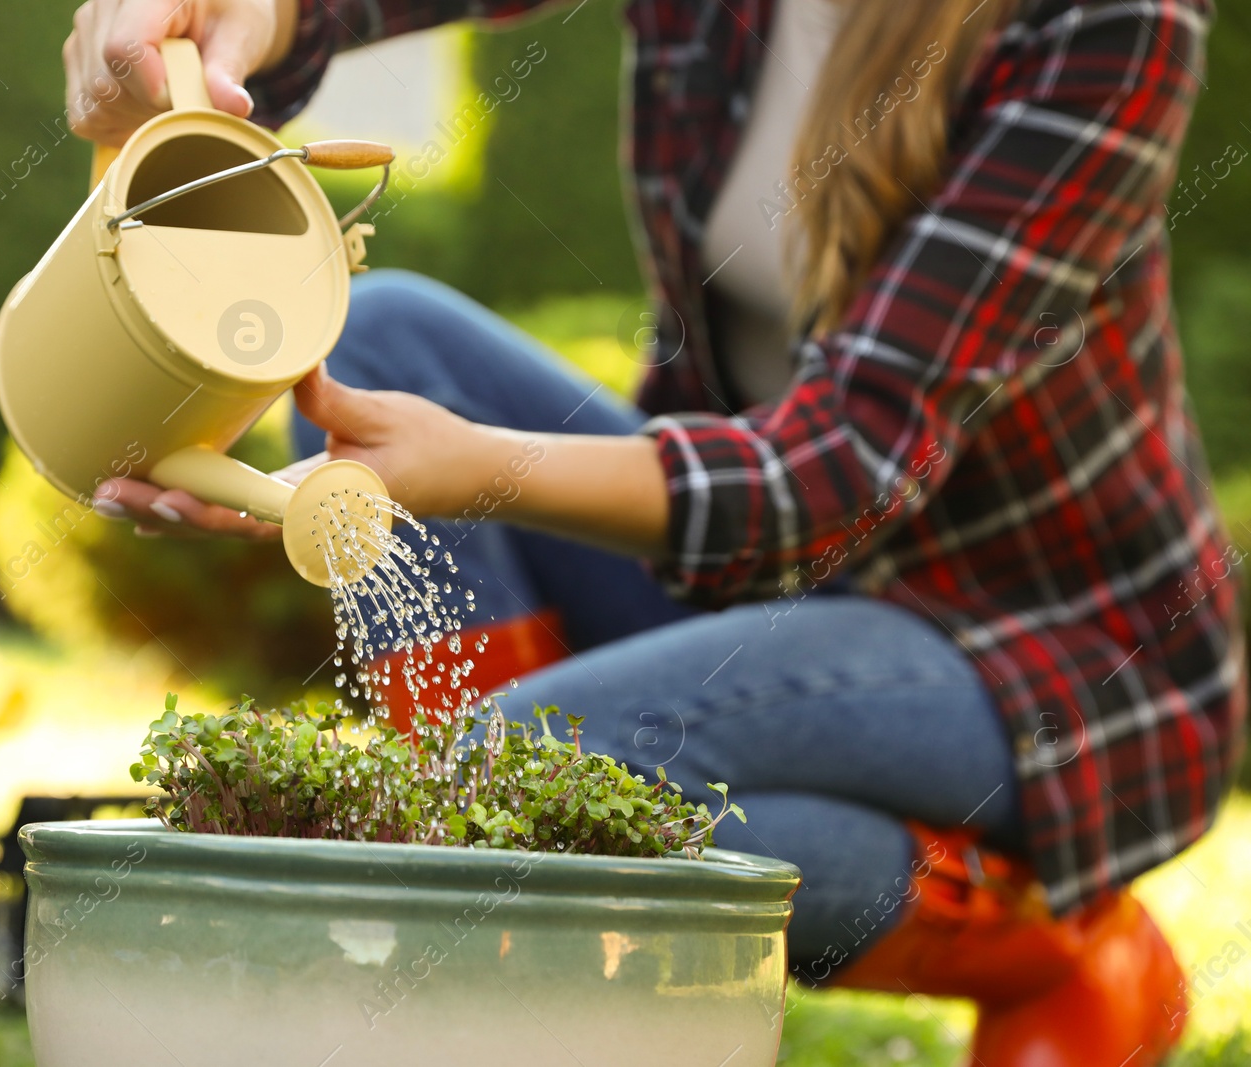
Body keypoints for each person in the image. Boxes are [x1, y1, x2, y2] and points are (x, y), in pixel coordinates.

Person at [65, 0, 1245, 1059]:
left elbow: (850, 460)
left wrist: (488, 471)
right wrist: (240, 18)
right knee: (386, 332)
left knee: (520, 770)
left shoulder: (1108, 17)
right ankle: (486, 958)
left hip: (1037, 646)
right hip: (739, 579)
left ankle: (1058, 945)